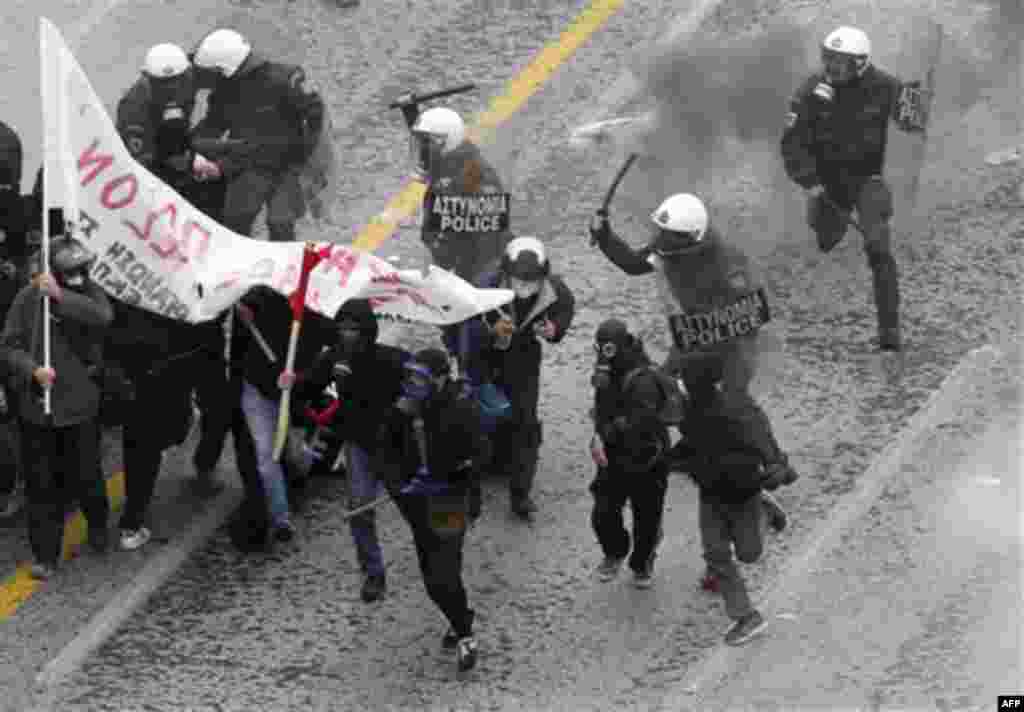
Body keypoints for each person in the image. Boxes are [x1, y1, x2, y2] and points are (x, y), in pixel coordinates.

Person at [590, 191, 792, 583]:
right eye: (659, 234)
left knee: (733, 406)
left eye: (667, 237)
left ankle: (773, 462)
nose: (659, 243)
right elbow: (634, 263)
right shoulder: (668, 249)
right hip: (693, 344)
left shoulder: (728, 262)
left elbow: (749, 313)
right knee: (667, 393)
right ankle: (697, 448)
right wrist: (604, 237)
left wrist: (715, 351)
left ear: (692, 239)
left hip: (732, 347)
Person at [781, 25, 918, 353]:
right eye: (828, 60)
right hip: (827, 183)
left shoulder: (885, 86)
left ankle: (889, 333)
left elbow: (913, 117)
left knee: (879, 248)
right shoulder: (811, 91)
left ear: (860, 64)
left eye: (839, 63)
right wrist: (809, 182)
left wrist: (918, 105)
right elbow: (791, 143)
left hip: (868, 179)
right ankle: (826, 226)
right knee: (826, 239)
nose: (831, 70)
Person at [0, 236, 113, 579]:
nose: (79, 275)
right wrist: (31, 369)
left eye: (81, 269)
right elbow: (9, 345)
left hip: (79, 408)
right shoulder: (28, 297)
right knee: (40, 486)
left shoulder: (90, 293)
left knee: (87, 475)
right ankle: (45, 554)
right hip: (38, 408)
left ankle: (97, 525)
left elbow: (102, 317)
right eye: (70, 271)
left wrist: (61, 297)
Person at [372, 347, 489, 672]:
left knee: (443, 573)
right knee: (431, 574)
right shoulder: (403, 410)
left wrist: (447, 477)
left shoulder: (461, 409)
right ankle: (459, 614)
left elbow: (480, 456)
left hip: (449, 500)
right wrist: (399, 487)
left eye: (421, 378)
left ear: (439, 379)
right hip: (415, 503)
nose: (413, 384)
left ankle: (465, 635)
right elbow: (385, 453)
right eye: (410, 376)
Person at [293, 297, 411, 602]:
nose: (347, 335)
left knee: (415, 509)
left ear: (366, 331)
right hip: (359, 446)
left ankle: (435, 558)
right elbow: (308, 385)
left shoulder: (391, 359)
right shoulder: (334, 359)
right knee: (359, 510)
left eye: (353, 329)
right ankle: (373, 571)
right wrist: (290, 383)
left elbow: (420, 380)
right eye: (342, 328)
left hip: (394, 448)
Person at [674, 383, 799, 646]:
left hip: (743, 495)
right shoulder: (692, 418)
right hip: (709, 495)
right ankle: (746, 617)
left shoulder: (742, 416)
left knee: (749, 554)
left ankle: (766, 511)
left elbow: (768, 447)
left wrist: (777, 467)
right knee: (716, 553)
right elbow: (684, 448)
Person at [459, 236, 574, 519]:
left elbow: (564, 310)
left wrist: (554, 329)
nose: (525, 286)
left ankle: (520, 495)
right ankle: (470, 496)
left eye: (532, 280)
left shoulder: (555, 290)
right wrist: (489, 333)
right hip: (483, 362)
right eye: (519, 279)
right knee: (477, 427)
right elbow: (461, 331)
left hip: (523, 361)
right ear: (505, 274)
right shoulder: (483, 288)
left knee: (525, 427)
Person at [190, 28, 325, 243]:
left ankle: (283, 271)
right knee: (235, 222)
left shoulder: (285, 80)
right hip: (250, 162)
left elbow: (314, 115)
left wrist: (304, 156)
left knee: (280, 225)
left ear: (226, 69)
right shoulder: (224, 91)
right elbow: (214, 124)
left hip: (285, 165)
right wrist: (186, 146)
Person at [237, 285, 340, 543]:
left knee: (292, 453)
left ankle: (302, 466)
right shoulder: (264, 299)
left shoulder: (318, 319)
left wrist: (303, 377)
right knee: (265, 455)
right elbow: (239, 299)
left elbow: (339, 345)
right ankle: (280, 517)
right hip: (259, 392)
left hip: (294, 395)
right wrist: (243, 312)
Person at [587, 319, 670, 588]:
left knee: (646, 518)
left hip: (647, 460)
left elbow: (641, 422)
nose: (602, 356)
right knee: (603, 513)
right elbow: (600, 410)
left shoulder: (643, 378)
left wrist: (609, 431)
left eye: (608, 349)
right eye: (599, 349)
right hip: (613, 456)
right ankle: (615, 552)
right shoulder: (607, 375)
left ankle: (642, 562)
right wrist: (598, 436)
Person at [116, 43, 225, 220]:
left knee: (222, 171)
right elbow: (142, 160)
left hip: (179, 141)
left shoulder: (188, 76)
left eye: (177, 80)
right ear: (147, 77)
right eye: (163, 83)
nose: (171, 87)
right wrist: (190, 162)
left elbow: (219, 71)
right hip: (153, 162)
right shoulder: (134, 107)